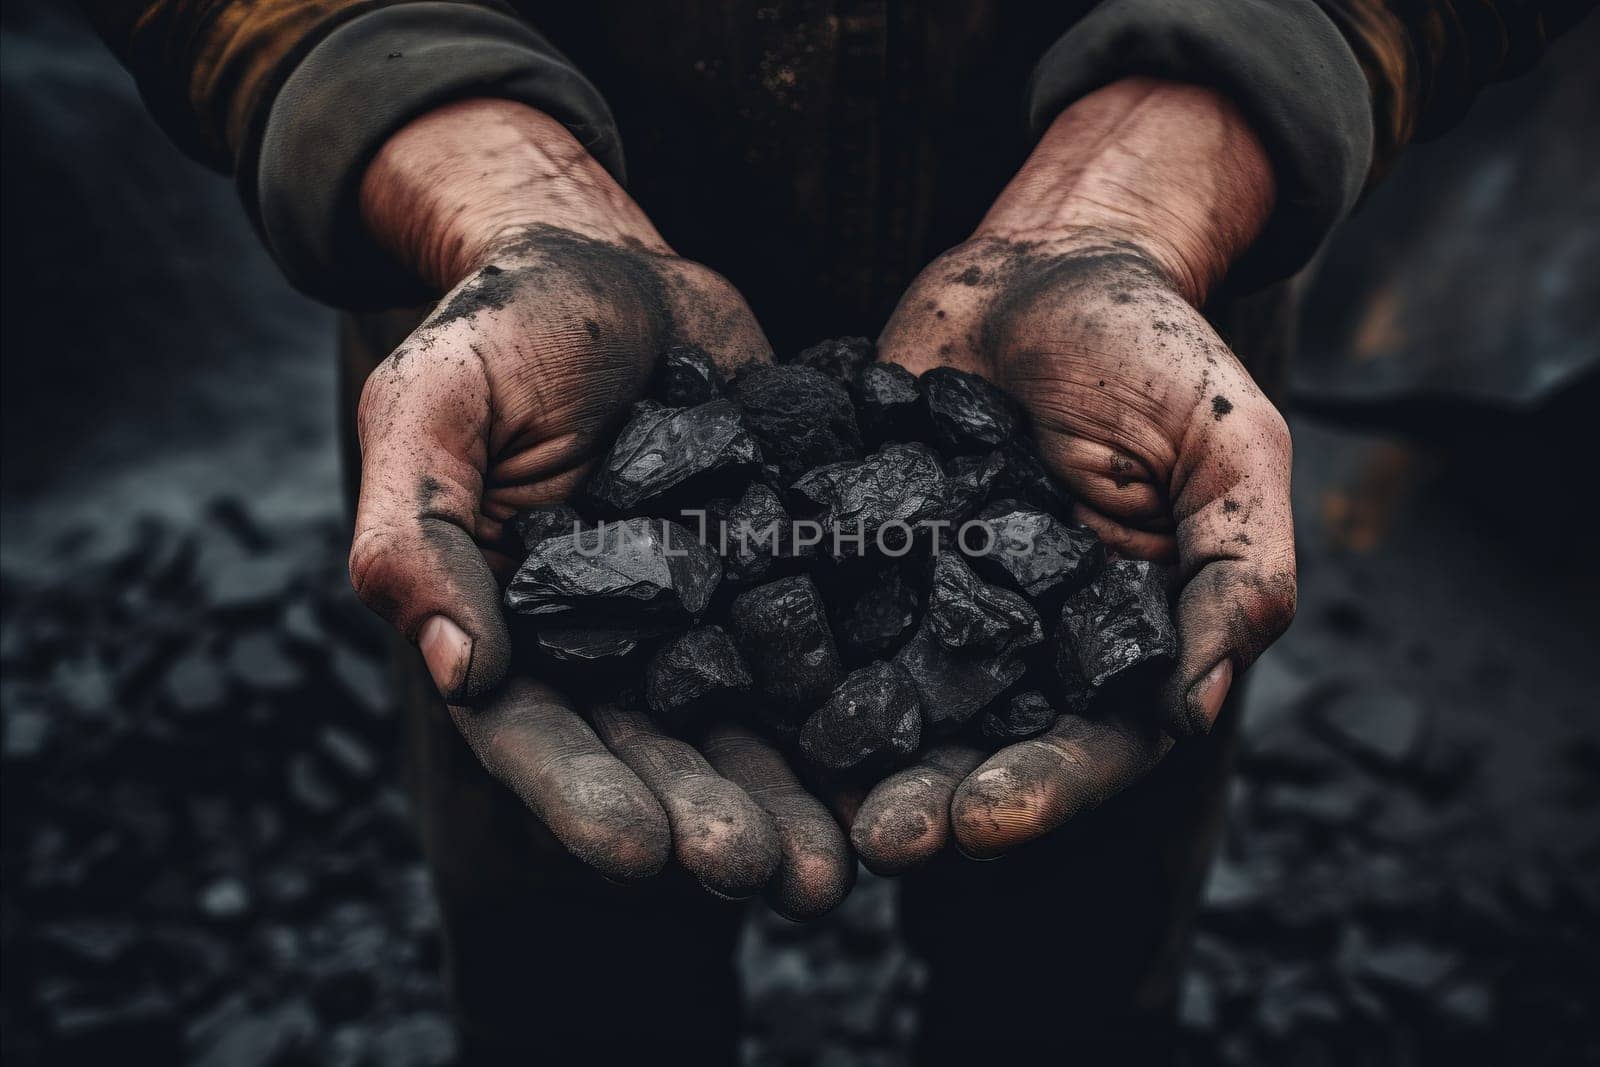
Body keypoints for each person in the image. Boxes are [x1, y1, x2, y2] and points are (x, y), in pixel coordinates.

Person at [82, 0, 1592, 1059]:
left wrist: (1190, 130)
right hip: (525, 376)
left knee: (1067, 978)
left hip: (1121, 376)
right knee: (572, 980)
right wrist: (447, 144)